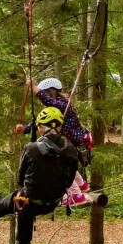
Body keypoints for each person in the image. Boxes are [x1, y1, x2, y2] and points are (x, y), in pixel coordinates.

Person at [0, 107, 79, 244]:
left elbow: (20, 179)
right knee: (24, 200)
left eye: (39, 127)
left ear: (42, 127)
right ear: (59, 127)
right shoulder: (71, 150)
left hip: (28, 203)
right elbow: (69, 182)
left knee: (4, 204)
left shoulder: (30, 148)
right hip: (52, 203)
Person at [17, 76, 91, 204]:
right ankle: (81, 185)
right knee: (66, 162)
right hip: (67, 139)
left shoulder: (62, 105)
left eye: (45, 94)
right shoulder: (55, 108)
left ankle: (76, 195)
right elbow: (43, 121)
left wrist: (34, 88)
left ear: (50, 92)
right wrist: (25, 129)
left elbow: (49, 102)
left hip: (71, 139)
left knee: (62, 165)